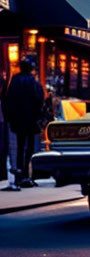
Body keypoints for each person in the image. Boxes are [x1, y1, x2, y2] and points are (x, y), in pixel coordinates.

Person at [2, 61, 44, 190]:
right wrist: (38, 116)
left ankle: (19, 174)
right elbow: (39, 99)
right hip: (30, 119)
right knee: (30, 147)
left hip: (17, 119)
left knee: (19, 147)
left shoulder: (14, 81)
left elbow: (7, 99)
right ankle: (27, 175)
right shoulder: (33, 82)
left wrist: (9, 117)